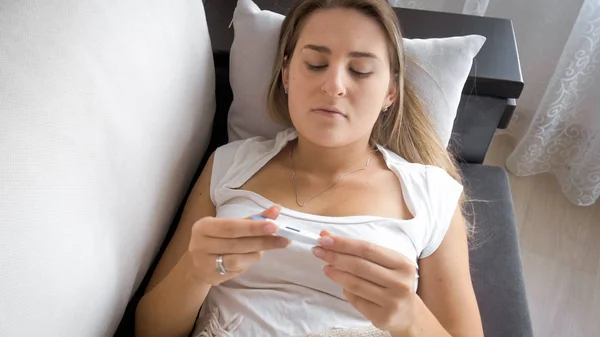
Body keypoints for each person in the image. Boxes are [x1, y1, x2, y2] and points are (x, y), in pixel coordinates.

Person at [135, 0, 483, 336]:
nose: (333, 86)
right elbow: (150, 329)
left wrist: (410, 319)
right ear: (286, 75)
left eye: (360, 71)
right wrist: (196, 273)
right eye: (315, 64)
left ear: (390, 91)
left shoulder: (431, 194)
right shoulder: (229, 165)